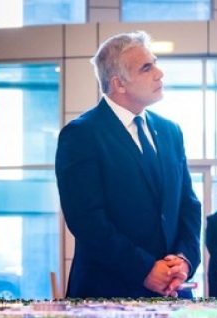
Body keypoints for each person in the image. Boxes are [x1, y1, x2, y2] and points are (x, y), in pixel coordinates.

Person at [55, 31, 201, 299]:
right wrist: (144, 268)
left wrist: (184, 260)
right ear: (119, 84)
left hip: (172, 294)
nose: (159, 73)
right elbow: (87, 220)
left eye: (155, 62)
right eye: (147, 67)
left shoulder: (171, 132)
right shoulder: (81, 135)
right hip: (107, 295)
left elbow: (188, 206)